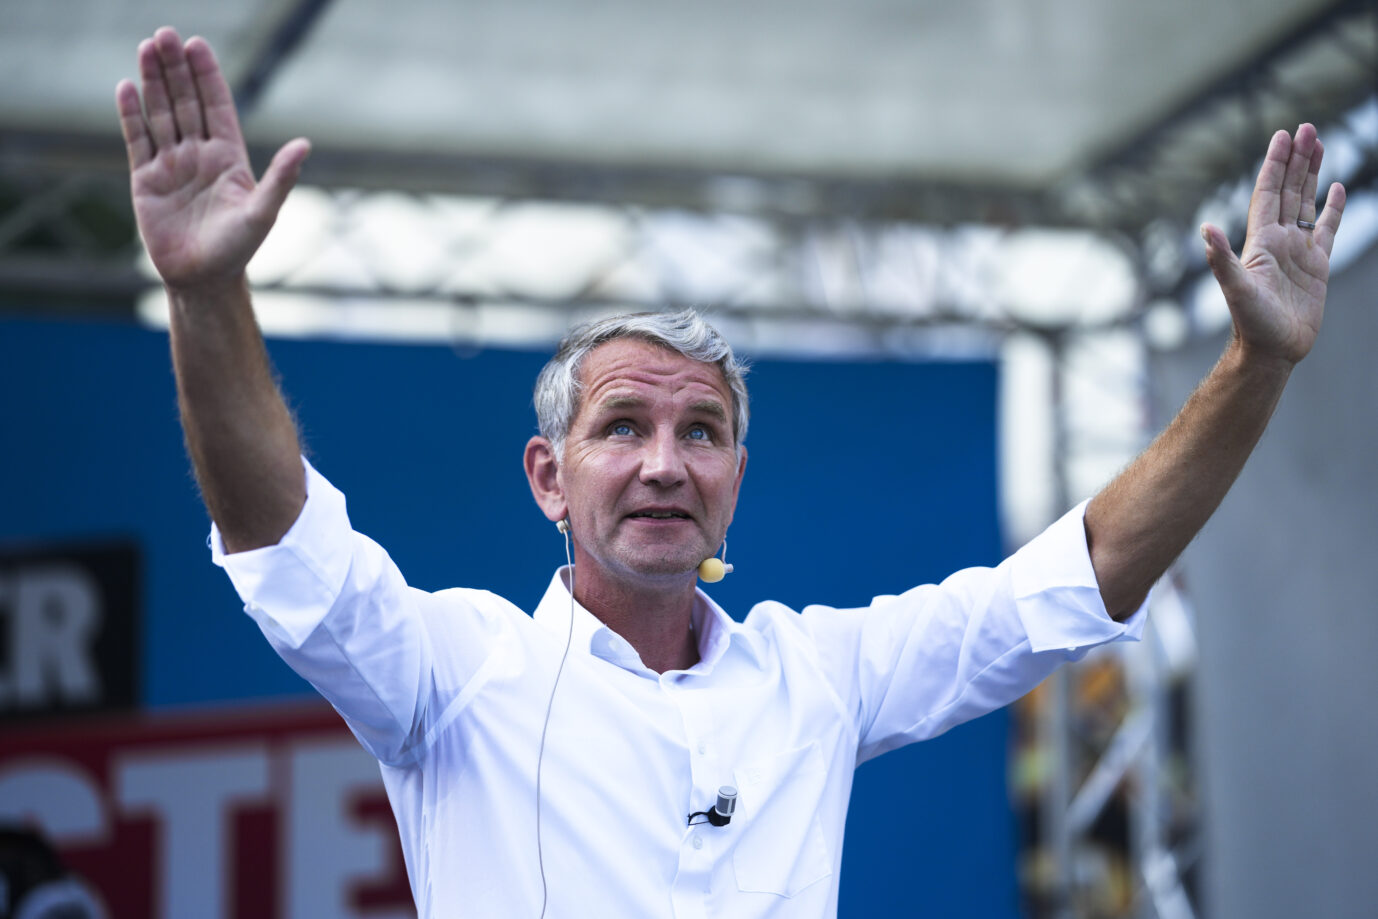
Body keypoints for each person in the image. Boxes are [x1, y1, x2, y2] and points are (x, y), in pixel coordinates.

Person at [116, 26, 1345, 919]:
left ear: (737, 477)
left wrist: (1254, 365)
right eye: (622, 428)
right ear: (548, 477)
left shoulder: (812, 678)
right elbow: (282, 537)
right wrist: (206, 289)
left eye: (701, 432)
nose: (663, 463)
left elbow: (1074, 582)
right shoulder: (456, 670)